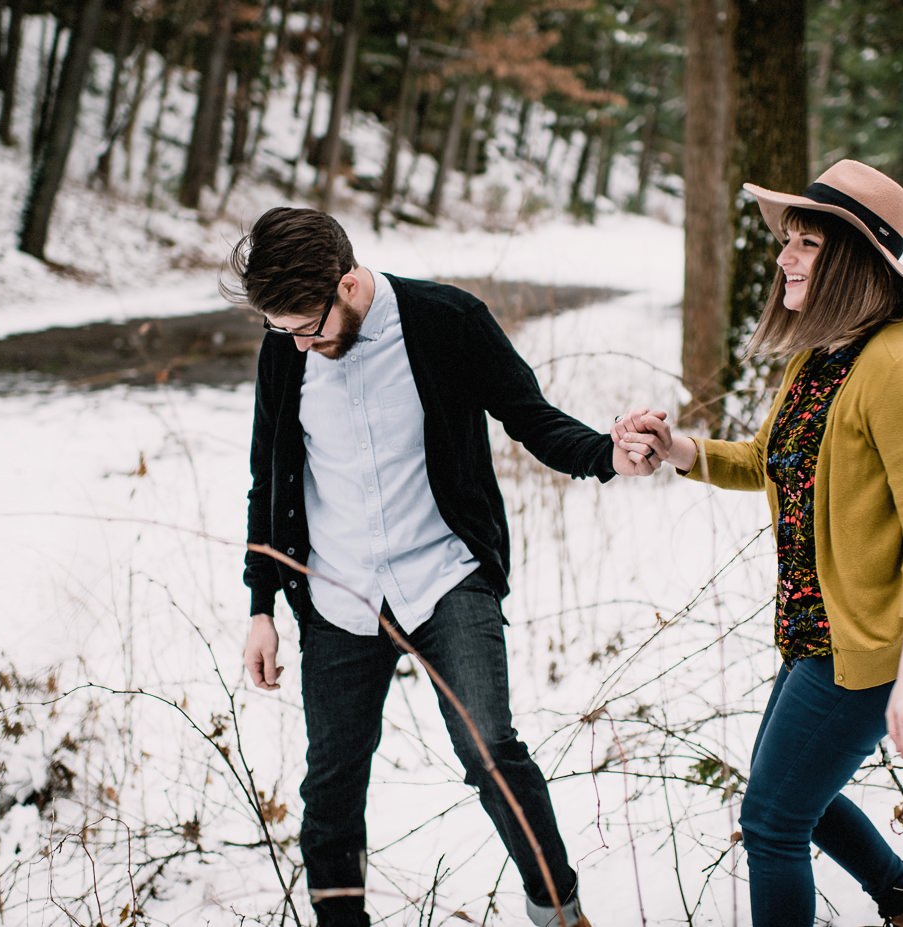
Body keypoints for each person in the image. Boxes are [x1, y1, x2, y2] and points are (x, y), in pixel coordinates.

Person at [222, 207, 657, 927]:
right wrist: (260, 604)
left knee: (490, 749)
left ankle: (558, 911)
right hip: (336, 593)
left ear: (350, 284)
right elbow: (266, 480)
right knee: (330, 782)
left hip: (444, 574)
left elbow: (530, 417)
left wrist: (606, 454)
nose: (297, 344)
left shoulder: (446, 320)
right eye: (282, 331)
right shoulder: (286, 350)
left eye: (307, 326)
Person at [614, 160, 903, 927]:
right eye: (788, 239)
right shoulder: (819, 362)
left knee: (773, 821)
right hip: (819, 631)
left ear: (855, 257)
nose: (784, 256)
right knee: (791, 795)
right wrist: (679, 448)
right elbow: (768, 460)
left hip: (881, 640)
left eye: (806, 242)